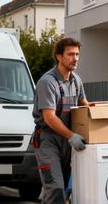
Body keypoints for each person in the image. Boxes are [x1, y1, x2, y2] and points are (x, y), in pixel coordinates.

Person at [32, 37, 88, 204]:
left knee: (61, 188)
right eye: (70, 54)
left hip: (67, 140)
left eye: (77, 54)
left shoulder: (76, 80)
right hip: (48, 140)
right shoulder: (47, 82)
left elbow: (84, 105)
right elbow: (49, 118)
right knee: (55, 187)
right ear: (59, 56)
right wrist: (71, 136)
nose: (75, 58)